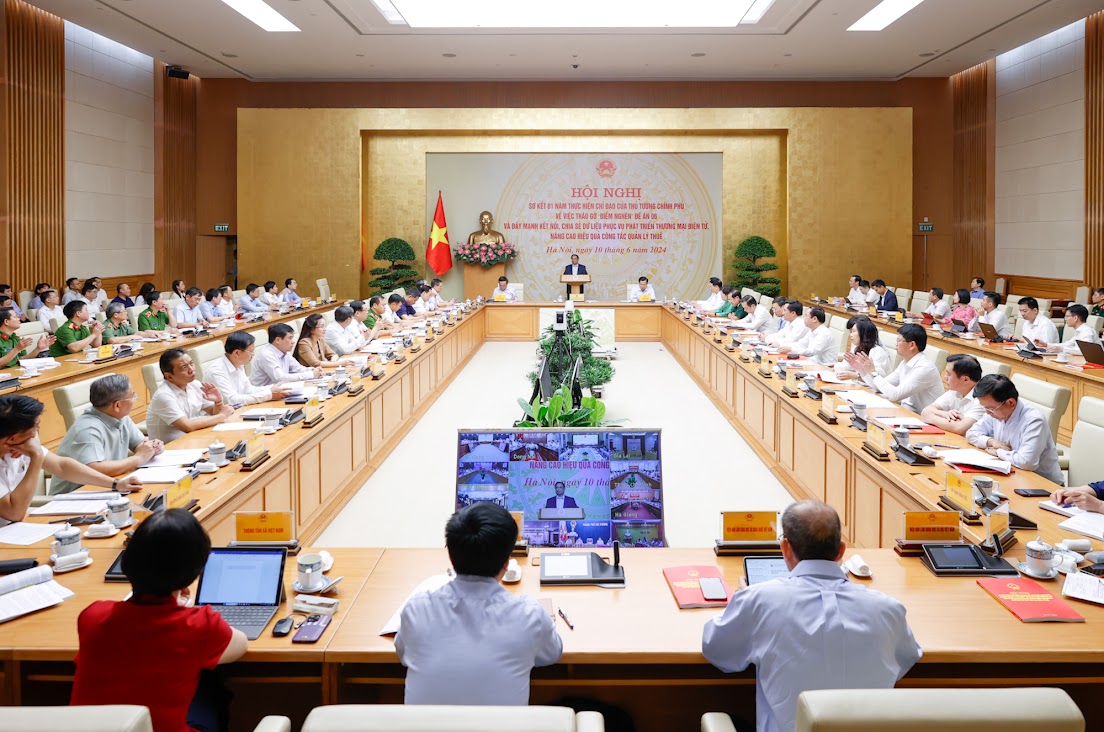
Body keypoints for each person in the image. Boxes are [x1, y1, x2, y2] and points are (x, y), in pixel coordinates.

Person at [702, 500, 921, 732]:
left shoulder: (758, 601)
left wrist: (740, 601)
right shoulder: (888, 610)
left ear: (785, 548)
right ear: (841, 551)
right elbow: (906, 659)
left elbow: (717, 651)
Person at [70, 509, 248, 732]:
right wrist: (185, 611)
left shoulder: (93, 616)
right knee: (209, 680)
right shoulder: (200, 625)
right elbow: (241, 644)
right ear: (193, 573)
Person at [395, 501, 562, 705]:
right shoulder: (529, 615)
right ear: (506, 563)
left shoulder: (416, 609)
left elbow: (403, 654)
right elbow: (551, 654)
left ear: (450, 556)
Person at [50, 375, 163, 495]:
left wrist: (151, 448)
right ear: (117, 405)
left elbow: (139, 444)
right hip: (76, 496)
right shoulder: (88, 429)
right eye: (132, 396)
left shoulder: (121, 417)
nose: (134, 400)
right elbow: (95, 469)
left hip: (110, 486)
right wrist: (138, 458)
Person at [966, 374, 1063, 484]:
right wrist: (990, 441)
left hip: (1042, 484)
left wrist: (998, 452)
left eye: (990, 409)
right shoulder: (995, 411)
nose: (988, 413)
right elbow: (971, 433)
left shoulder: (1034, 420)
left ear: (1010, 403)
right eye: (985, 408)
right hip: (1010, 474)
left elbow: (1026, 462)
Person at [847, 323, 943, 414]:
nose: (896, 344)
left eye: (899, 340)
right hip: (907, 412)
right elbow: (879, 387)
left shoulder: (924, 368)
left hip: (923, 418)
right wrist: (862, 370)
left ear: (912, 345)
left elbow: (895, 395)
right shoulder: (905, 363)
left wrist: (873, 372)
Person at [146, 349, 234, 444]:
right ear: (169, 376)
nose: (191, 370)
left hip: (195, 440)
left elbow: (214, 412)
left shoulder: (195, 385)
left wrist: (218, 402)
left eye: (191, 363)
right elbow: (188, 426)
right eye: (184, 367)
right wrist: (222, 415)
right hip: (171, 448)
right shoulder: (163, 396)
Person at [205, 331, 291, 406]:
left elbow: (249, 390)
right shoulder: (216, 372)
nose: (253, 355)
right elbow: (232, 401)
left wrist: (272, 388)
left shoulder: (239, 365)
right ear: (237, 353)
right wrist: (269, 394)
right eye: (251, 351)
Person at [920, 354, 985, 436]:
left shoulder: (982, 400)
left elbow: (960, 428)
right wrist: (942, 413)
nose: (945, 377)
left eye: (949, 374)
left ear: (965, 379)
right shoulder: (954, 391)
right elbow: (925, 411)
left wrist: (931, 416)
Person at [251, 323, 321, 386]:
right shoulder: (266, 355)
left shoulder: (284, 352)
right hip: (263, 394)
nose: (293, 342)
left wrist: (313, 370)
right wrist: (311, 374)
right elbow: (280, 378)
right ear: (278, 340)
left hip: (279, 390)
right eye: (290, 338)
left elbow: (297, 369)